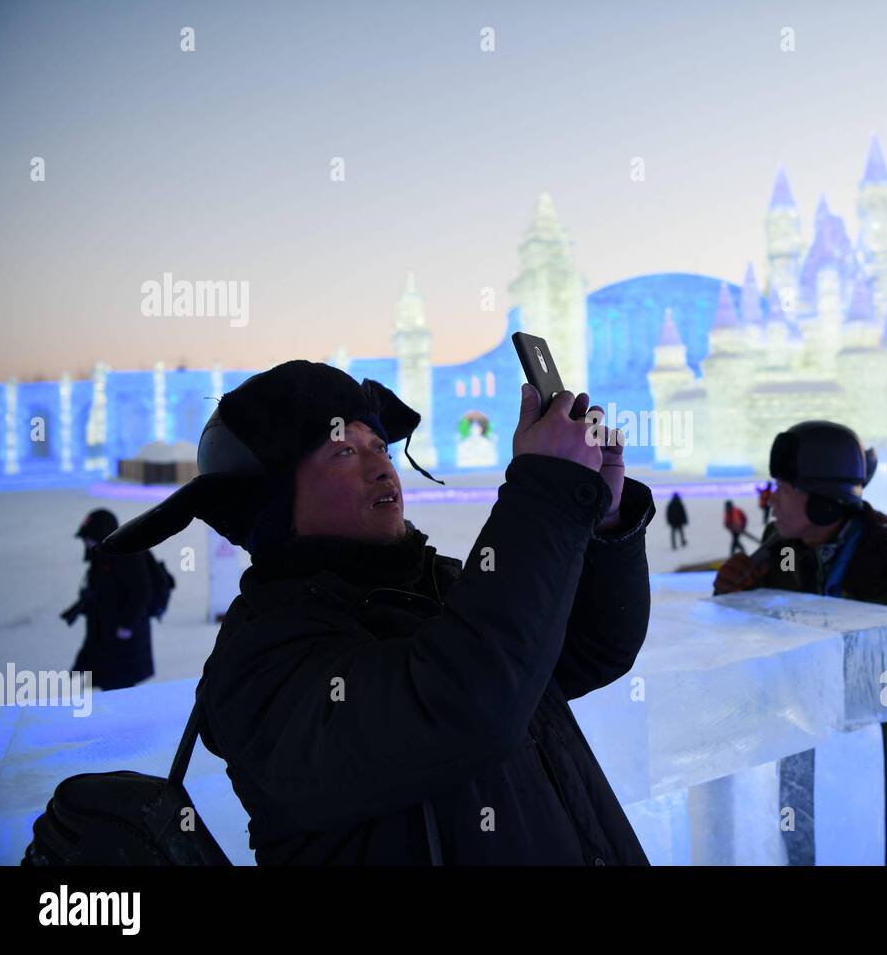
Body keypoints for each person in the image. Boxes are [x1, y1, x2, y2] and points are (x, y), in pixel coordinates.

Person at [101, 360, 657, 865]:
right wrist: (547, 494)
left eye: (381, 448)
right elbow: (465, 707)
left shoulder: (436, 585)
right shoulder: (261, 665)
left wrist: (601, 524)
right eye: (345, 451)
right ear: (272, 506)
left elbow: (588, 651)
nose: (382, 468)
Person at [713, 420, 887, 865]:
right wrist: (739, 599)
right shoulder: (783, 546)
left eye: (783, 487)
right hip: (817, 745)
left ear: (822, 502)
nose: (770, 498)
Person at [63, 508, 155, 691]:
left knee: (118, 690)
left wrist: (126, 626)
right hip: (105, 634)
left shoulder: (126, 555)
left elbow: (141, 591)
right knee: (103, 685)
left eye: (89, 538)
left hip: (122, 640)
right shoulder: (101, 556)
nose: (86, 542)